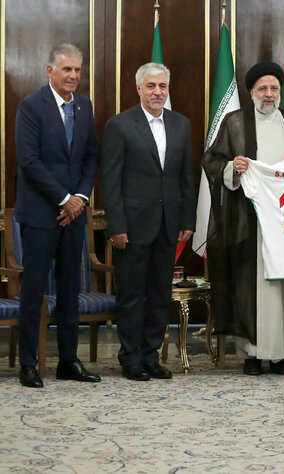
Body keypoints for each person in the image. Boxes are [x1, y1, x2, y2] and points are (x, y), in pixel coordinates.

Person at [203, 61, 284, 376]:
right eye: (262, 89)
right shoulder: (235, 122)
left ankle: (281, 354)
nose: (269, 94)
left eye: (274, 88)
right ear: (251, 92)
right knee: (253, 287)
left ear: (280, 92)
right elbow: (212, 161)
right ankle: (252, 355)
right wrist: (234, 167)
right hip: (250, 221)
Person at [101, 62, 195, 381]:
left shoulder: (181, 124)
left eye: (162, 86)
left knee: (159, 295)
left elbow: (186, 177)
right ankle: (131, 358)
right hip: (132, 227)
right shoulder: (120, 125)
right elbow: (110, 181)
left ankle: (151, 356)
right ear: (139, 88)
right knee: (132, 295)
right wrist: (117, 226)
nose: (157, 92)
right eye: (151, 86)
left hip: (169, 225)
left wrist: (187, 219)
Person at [13, 43, 100, 388]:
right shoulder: (31, 106)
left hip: (73, 215)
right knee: (34, 290)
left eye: (78, 70)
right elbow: (29, 161)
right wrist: (64, 199)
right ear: (50, 70)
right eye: (67, 69)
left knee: (69, 289)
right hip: (40, 214)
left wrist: (80, 198)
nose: (74, 76)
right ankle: (28, 363)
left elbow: (90, 157)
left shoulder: (84, 106)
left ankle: (68, 361)